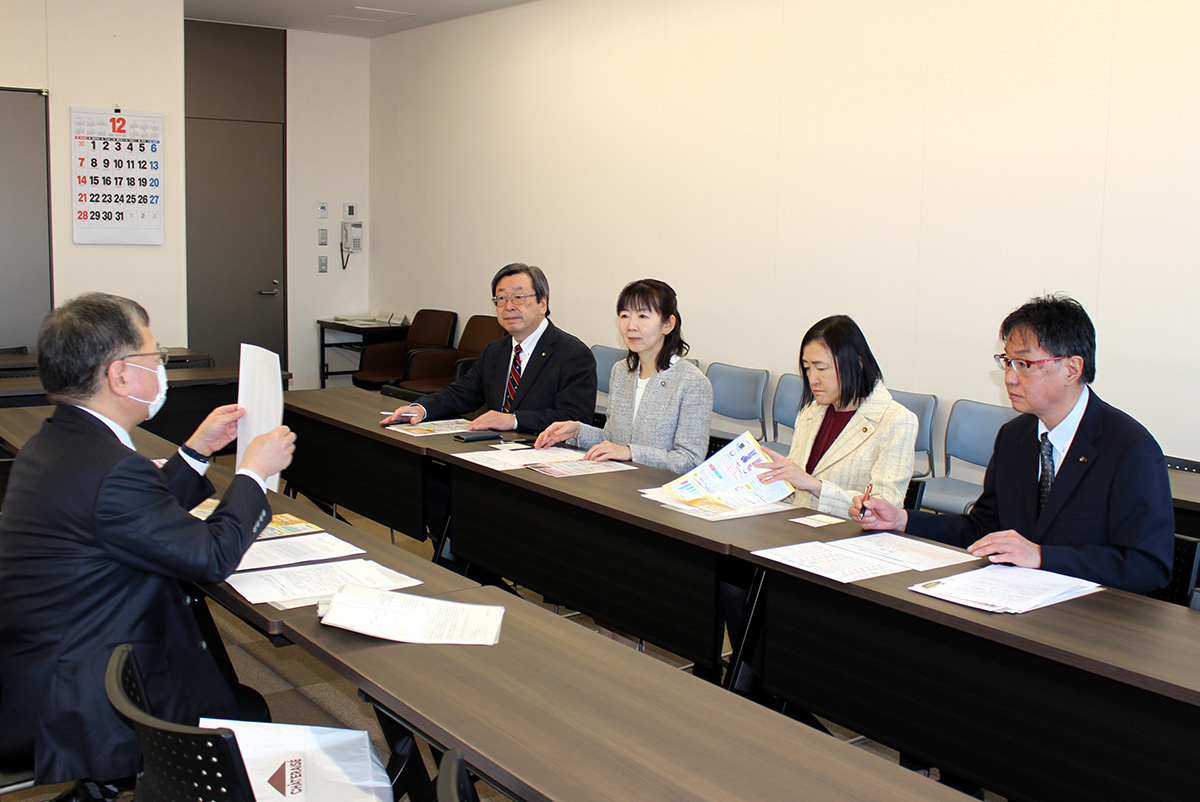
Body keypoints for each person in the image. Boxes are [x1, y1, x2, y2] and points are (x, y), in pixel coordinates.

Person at [0, 293, 296, 788]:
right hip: (82, 698)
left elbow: (129, 517)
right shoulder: (113, 469)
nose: (161, 368)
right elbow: (210, 557)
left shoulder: (56, 442)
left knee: (233, 695)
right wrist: (252, 475)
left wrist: (197, 450)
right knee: (242, 713)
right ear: (119, 375)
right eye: (154, 357)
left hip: (45, 664)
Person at [853, 294, 1173, 594]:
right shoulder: (1015, 436)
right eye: (1007, 362)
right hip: (1013, 600)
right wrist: (903, 520)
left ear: (1072, 369)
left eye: (1024, 364)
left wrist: (1041, 556)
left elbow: (1148, 566)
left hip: (1088, 614)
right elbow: (983, 528)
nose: (1009, 377)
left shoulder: (1130, 449)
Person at [381, 263, 596, 433]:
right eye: (501, 298)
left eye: (519, 297)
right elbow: (462, 393)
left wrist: (513, 420)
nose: (508, 306)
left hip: (543, 453)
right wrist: (421, 408)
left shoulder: (572, 354)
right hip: (494, 450)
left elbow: (576, 419)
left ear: (543, 304)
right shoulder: (496, 350)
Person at [534, 279, 712, 473]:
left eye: (643, 316)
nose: (631, 326)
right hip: (618, 478)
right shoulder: (621, 371)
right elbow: (612, 439)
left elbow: (689, 460)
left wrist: (630, 452)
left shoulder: (692, 383)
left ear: (667, 324)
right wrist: (577, 431)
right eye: (625, 315)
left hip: (658, 485)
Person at [756, 315, 918, 517]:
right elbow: (795, 491)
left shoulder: (896, 421)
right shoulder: (811, 412)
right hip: (797, 523)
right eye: (807, 368)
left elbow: (882, 508)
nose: (812, 379)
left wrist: (816, 487)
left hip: (845, 532)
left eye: (821, 368)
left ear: (856, 364)